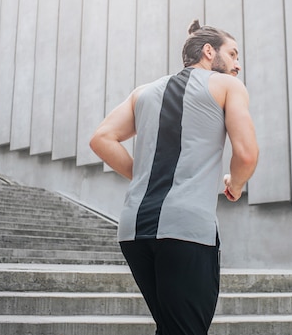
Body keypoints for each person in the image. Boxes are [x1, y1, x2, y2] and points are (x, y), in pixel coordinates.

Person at [89, 19, 258, 335]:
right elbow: (247, 155)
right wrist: (235, 184)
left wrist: (140, 174)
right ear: (209, 51)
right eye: (233, 54)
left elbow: (101, 138)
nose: (238, 65)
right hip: (186, 229)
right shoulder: (228, 87)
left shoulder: (144, 92)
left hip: (133, 231)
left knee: (171, 328)